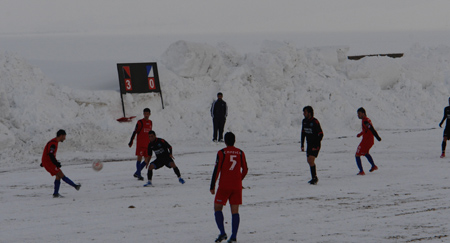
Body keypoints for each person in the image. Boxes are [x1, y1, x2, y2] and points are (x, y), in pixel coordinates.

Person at [210, 132, 248, 243]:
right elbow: (245, 169)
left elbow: (217, 170)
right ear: (234, 140)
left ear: (225, 141)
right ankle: (234, 236)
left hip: (224, 186)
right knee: (235, 211)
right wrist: (238, 179)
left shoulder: (221, 153)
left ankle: (222, 233)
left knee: (217, 207)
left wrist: (212, 185)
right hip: (236, 186)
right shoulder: (240, 153)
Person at [41, 129, 81, 198]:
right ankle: (75, 186)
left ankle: (56, 193)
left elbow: (48, 153)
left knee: (58, 176)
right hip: (49, 163)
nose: (65, 138)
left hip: (47, 162)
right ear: (61, 136)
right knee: (61, 175)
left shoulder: (54, 142)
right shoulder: (53, 143)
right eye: (64, 137)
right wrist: (55, 163)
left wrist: (44, 162)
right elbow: (50, 154)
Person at [300, 106, 323, 185]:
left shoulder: (315, 122)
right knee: (309, 161)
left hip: (315, 144)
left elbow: (321, 134)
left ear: (309, 113)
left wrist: (316, 145)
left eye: (305, 112)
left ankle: (314, 178)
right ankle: (314, 177)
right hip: (309, 144)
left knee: (310, 160)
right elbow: (303, 133)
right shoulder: (304, 121)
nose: (303, 114)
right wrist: (302, 144)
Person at [355, 107, 381, 175]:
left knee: (357, 155)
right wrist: (360, 134)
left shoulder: (365, 121)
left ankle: (361, 171)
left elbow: (371, 129)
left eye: (359, 114)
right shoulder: (366, 120)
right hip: (369, 141)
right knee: (365, 153)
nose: (358, 115)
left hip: (366, 141)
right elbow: (366, 130)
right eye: (358, 114)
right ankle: (373, 166)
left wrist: (377, 137)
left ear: (363, 113)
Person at [128, 108, 153, 180]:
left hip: (147, 145)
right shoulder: (140, 122)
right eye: (145, 114)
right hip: (140, 144)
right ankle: (139, 175)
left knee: (147, 160)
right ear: (143, 114)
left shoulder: (150, 122)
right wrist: (131, 141)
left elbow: (151, 134)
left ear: (149, 114)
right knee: (139, 158)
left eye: (147, 114)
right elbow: (135, 132)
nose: (146, 115)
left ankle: (137, 172)